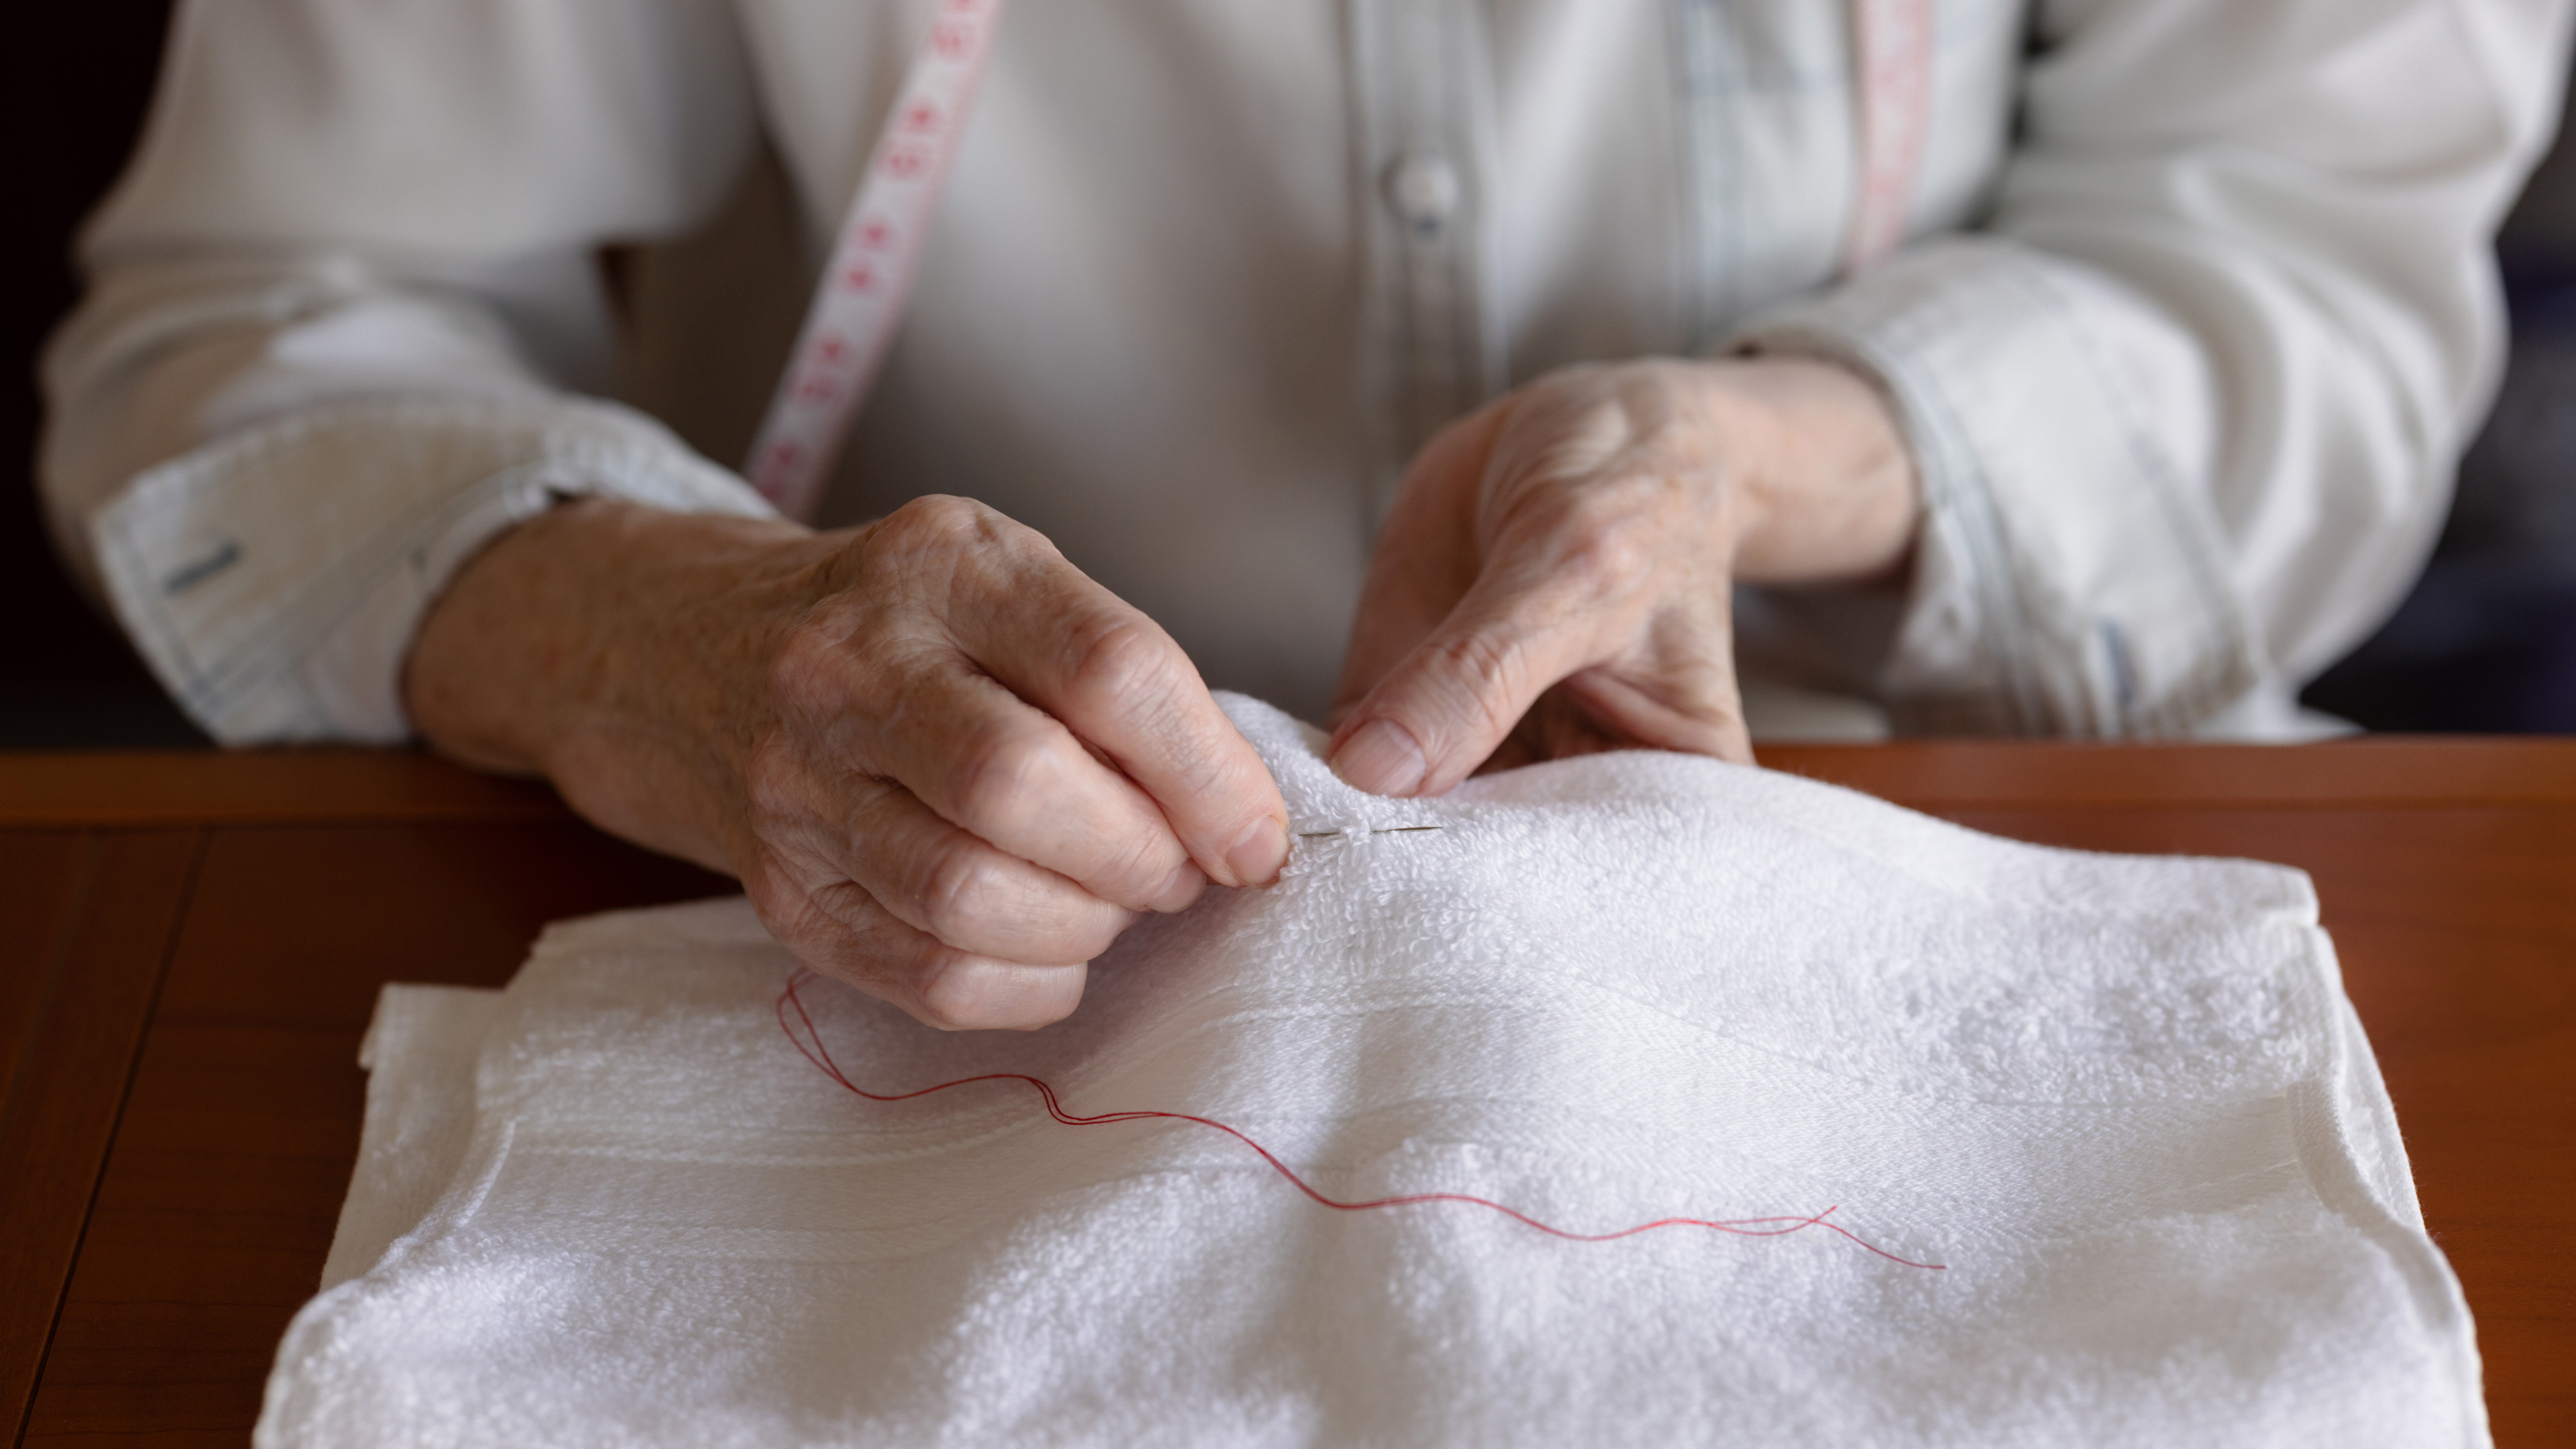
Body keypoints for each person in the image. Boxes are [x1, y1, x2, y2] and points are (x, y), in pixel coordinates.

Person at [40, 0, 2569, 1030]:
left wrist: (1782, 456)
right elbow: (256, 319)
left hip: (1927, 779)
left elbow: (2308, 260)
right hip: (842, 870)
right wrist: (653, 634)